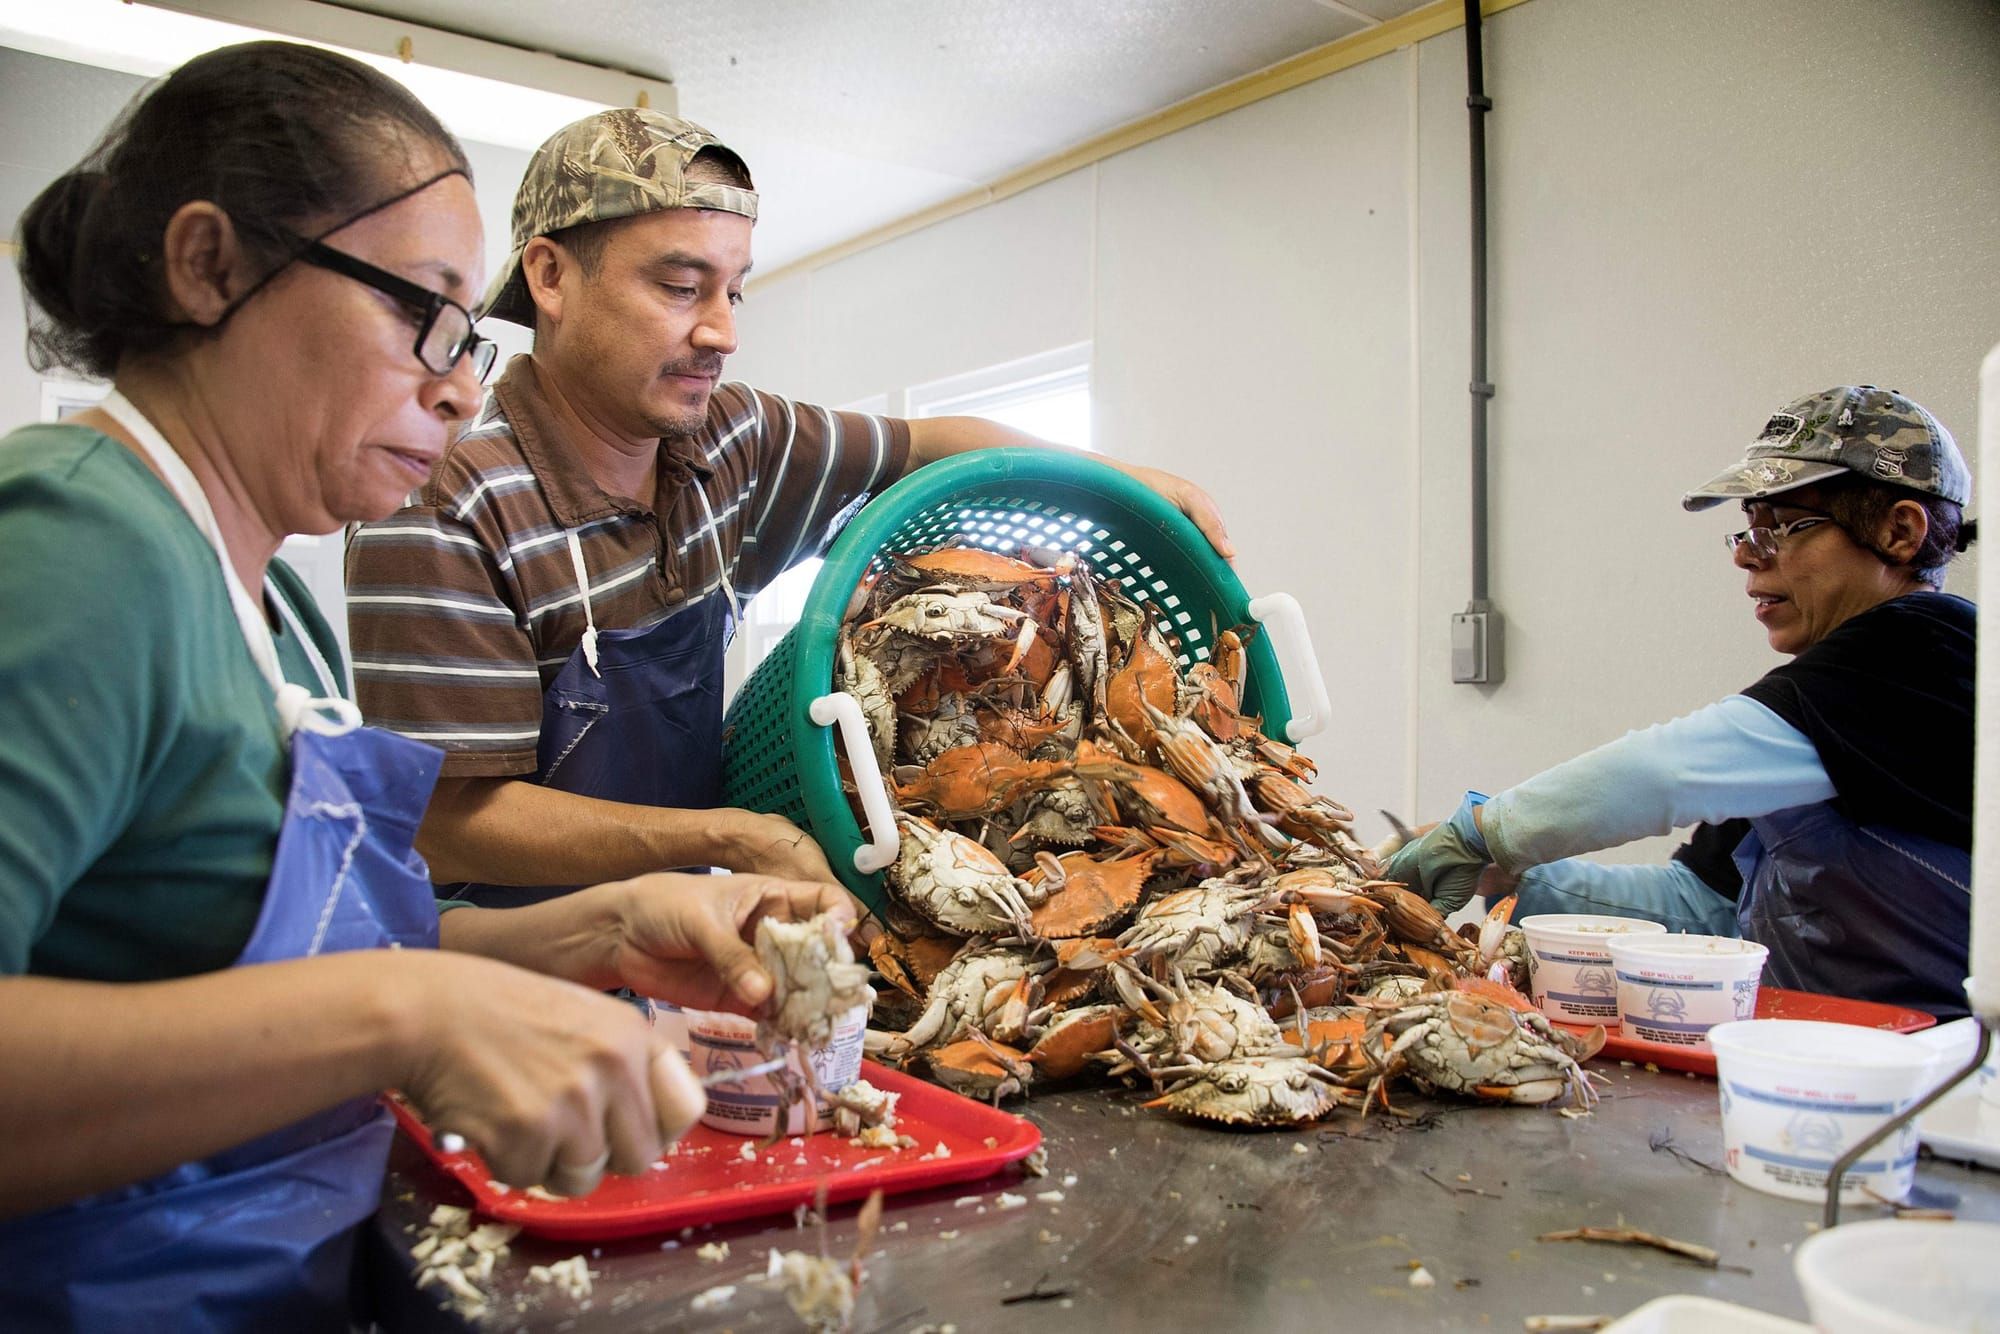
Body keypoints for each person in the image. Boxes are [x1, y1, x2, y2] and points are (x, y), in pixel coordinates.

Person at [0, 45, 850, 1330]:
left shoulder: (271, 603)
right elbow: (366, 991)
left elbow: (281, 959)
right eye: (423, 314)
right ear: (210, 265)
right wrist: (405, 1012)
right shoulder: (76, 549)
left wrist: (600, 929)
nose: (460, 385)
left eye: (469, 335)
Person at [344, 108, 1238, 910]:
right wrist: (728, 836)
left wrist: (1118, 477)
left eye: (734, 290)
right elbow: (445, 820)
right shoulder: (443, 502)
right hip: (496, 985)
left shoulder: (730, 441)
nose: (722, 332)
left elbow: (925, 445)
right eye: (679, 286)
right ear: (550, 275)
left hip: (683, 939)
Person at [1387, 386, 1977, 1019]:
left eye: (1785, 528)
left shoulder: (1930, 648)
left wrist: (1484, 833)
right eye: (1748, 532)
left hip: (1942, 1075)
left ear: (1900, 531)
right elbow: (1704, 904)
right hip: (1820, 1057)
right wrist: (1509, 878)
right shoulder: (1815, 714)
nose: (1749, 558)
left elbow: (1661, 772)